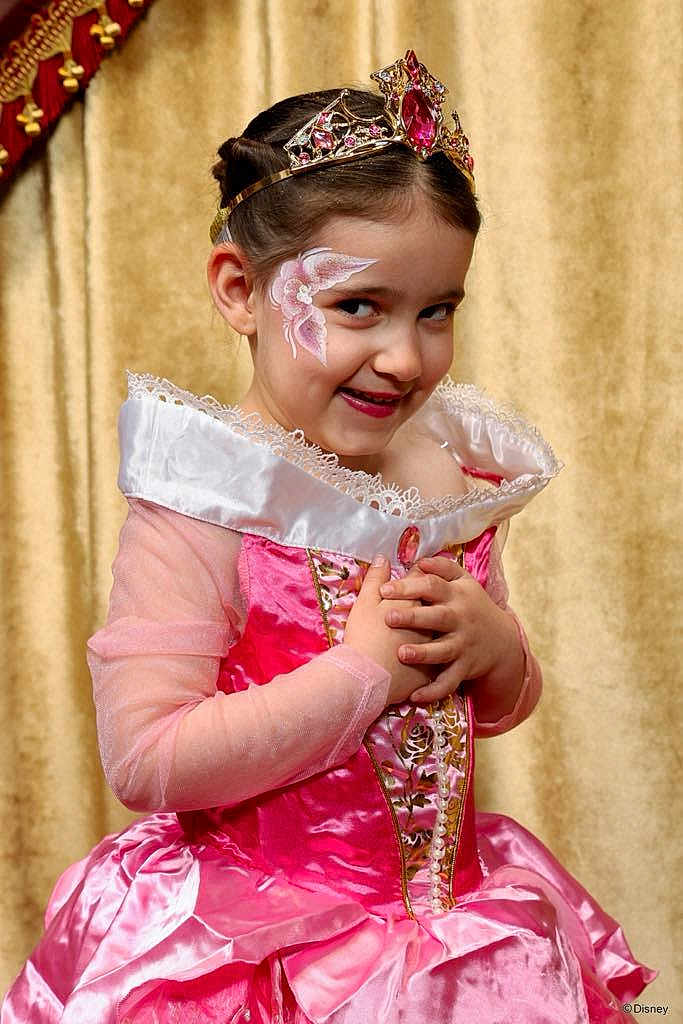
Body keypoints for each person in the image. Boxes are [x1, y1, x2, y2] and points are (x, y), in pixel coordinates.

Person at [2, 49, 656, 1024]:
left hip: (453, 943)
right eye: (357, 307)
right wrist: (356, 675)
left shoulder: (443, 476)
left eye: (437, 312)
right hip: (263, 950)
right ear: (239, 290)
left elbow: (489, 708)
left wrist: (495, 651)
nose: (404, 357)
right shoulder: (204, 503)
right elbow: (145, 758)